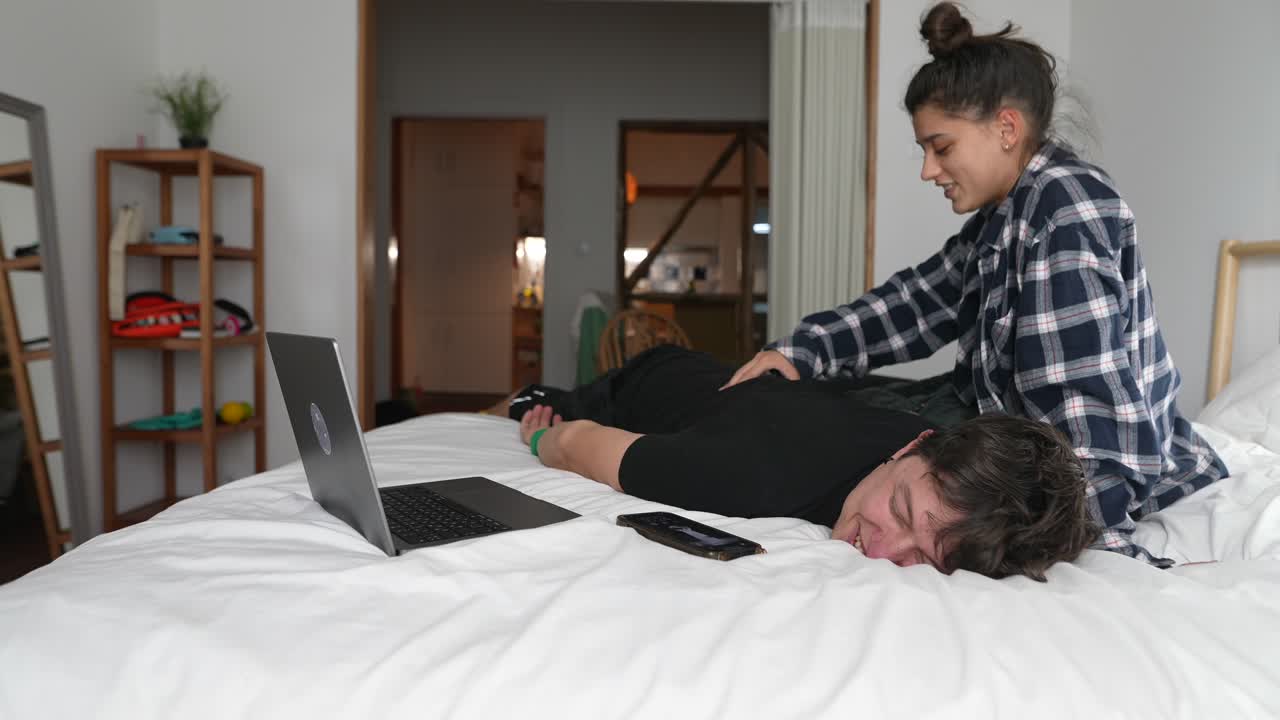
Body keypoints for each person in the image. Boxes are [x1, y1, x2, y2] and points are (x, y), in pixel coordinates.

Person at [723, 2, 1226, 567]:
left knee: (828, 439)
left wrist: (1108, 554)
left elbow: (1092, 432)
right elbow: (915, 303)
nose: (928, 170)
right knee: (815, 407)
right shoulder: (1001, 220)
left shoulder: (1065, 215)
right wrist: (803, 351)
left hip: (1081, 472)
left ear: (1006, 128)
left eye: (941, 147)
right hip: (998, 423)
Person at [500, 344, 1096, 582]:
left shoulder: (949, 460)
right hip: (660, 382)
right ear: (909, 449)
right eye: (899, 509)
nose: (886, 549)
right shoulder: (749, 475)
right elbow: (575, 442)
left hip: (766, 406)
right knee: (530, 405)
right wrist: (537, 440)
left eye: (921, 555)